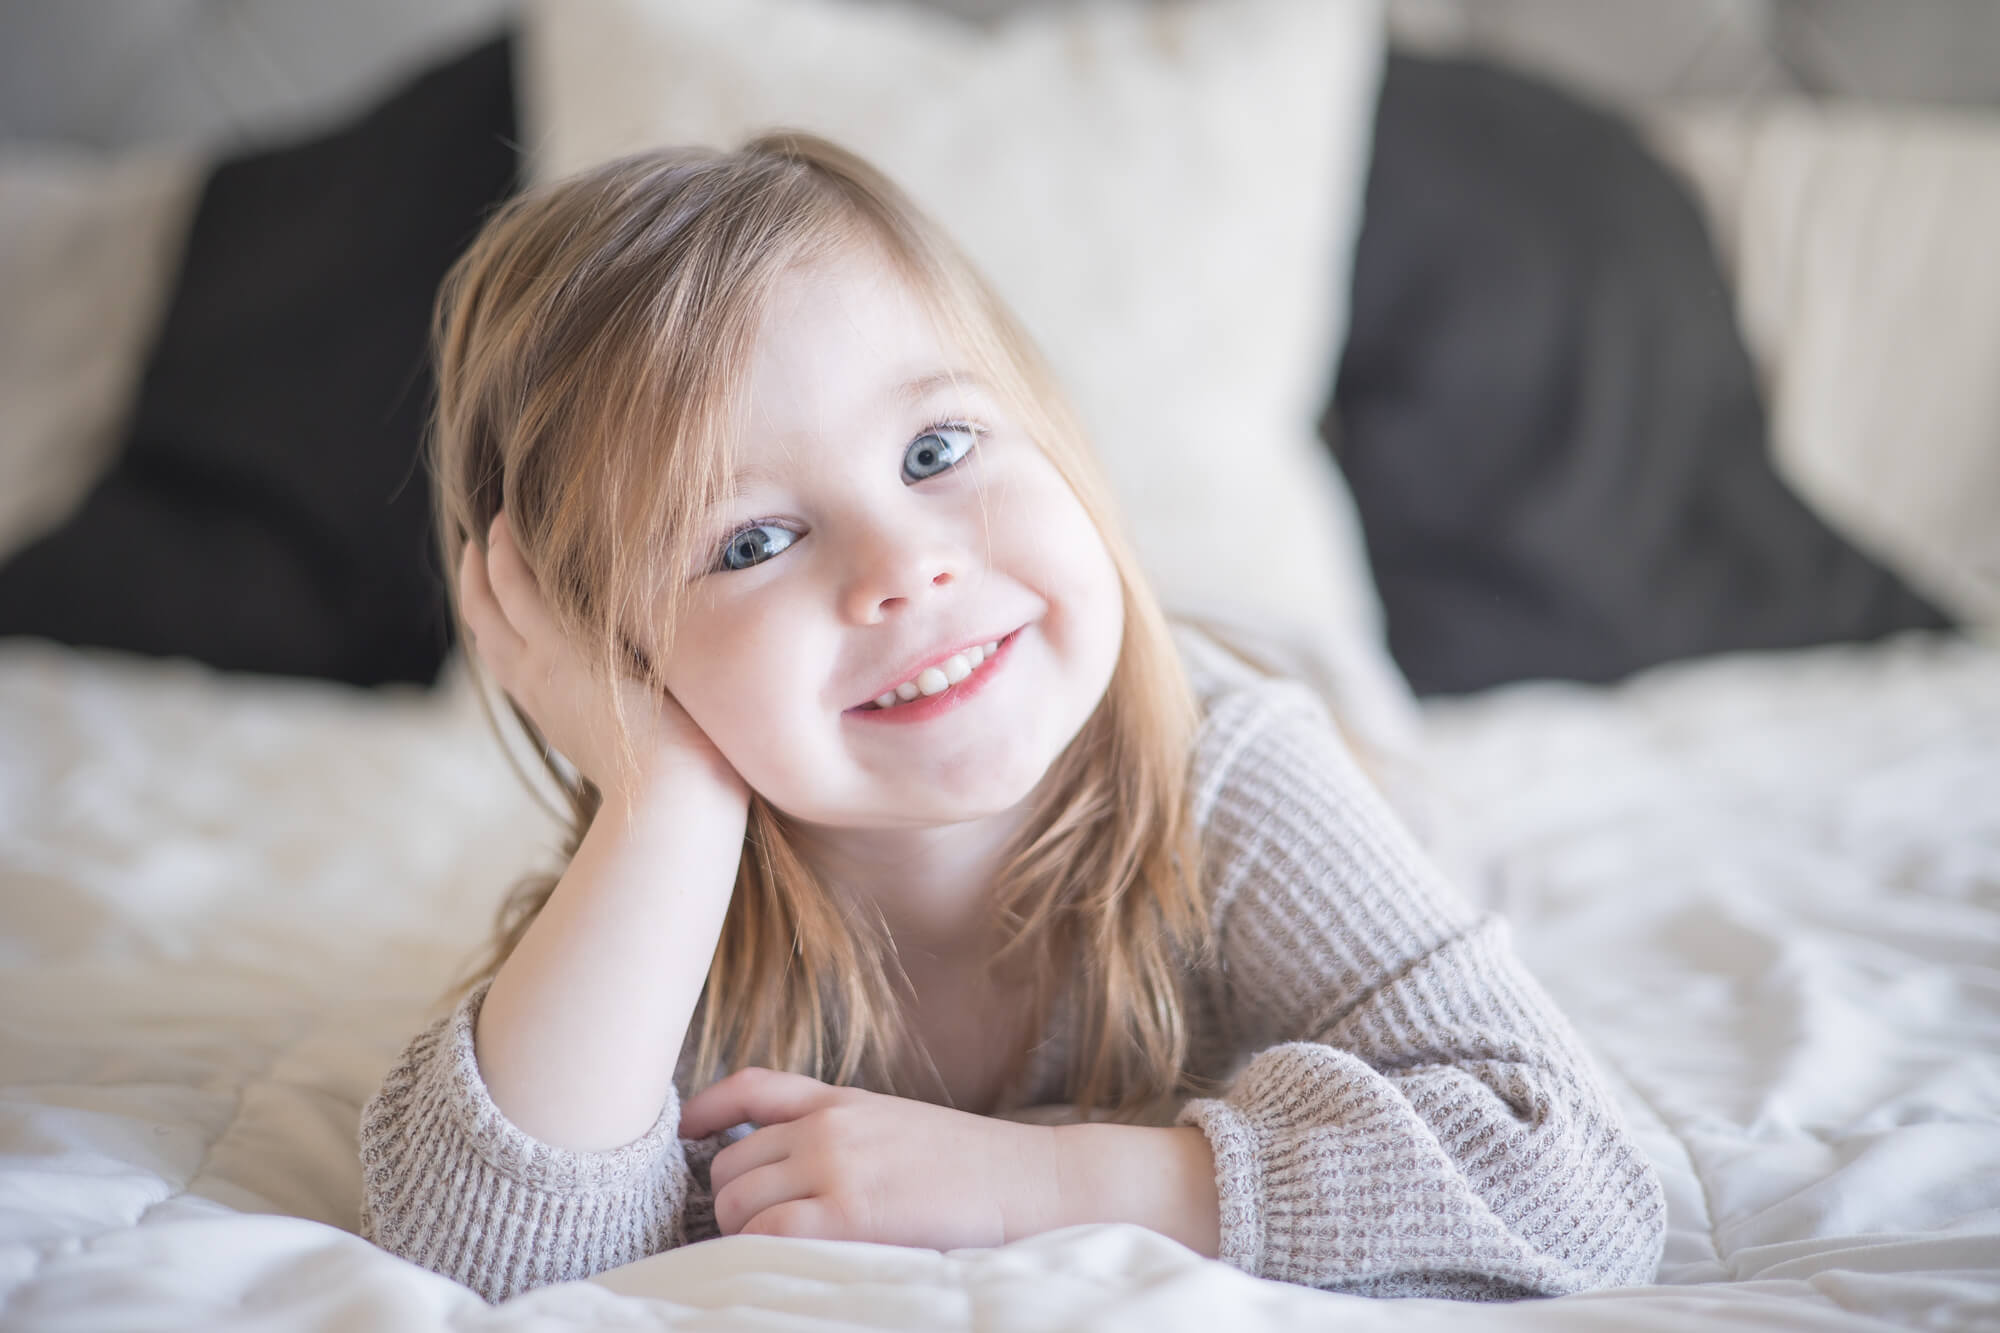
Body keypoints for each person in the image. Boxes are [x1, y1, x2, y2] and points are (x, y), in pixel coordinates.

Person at [357, 130, 1667, 1306]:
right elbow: (487, 1256)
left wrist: (1037, 1181)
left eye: (937, 450)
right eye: (750, 540)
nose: (904, 566)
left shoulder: (1233, 779)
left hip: (1287, 707)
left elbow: (1577, 1181)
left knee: (1391, 782)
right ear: (608, 653)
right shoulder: (692, 893)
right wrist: (666, 803)